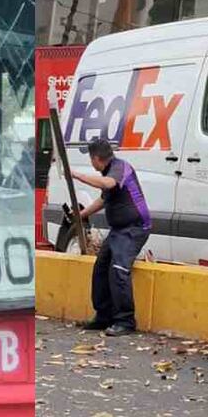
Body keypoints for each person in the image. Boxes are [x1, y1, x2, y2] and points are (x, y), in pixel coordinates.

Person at [72, 138, 151, 336]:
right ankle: (104, 316)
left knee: (118, 269)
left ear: (96, 158)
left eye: (90, 159)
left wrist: (76, 175)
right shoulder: (109, 172)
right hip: (119, 230)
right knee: (101, 268)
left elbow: (108, 184)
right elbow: (103, 199)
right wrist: (81, 215)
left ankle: (125, 321)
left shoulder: (120, 168)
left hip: (135, 228)